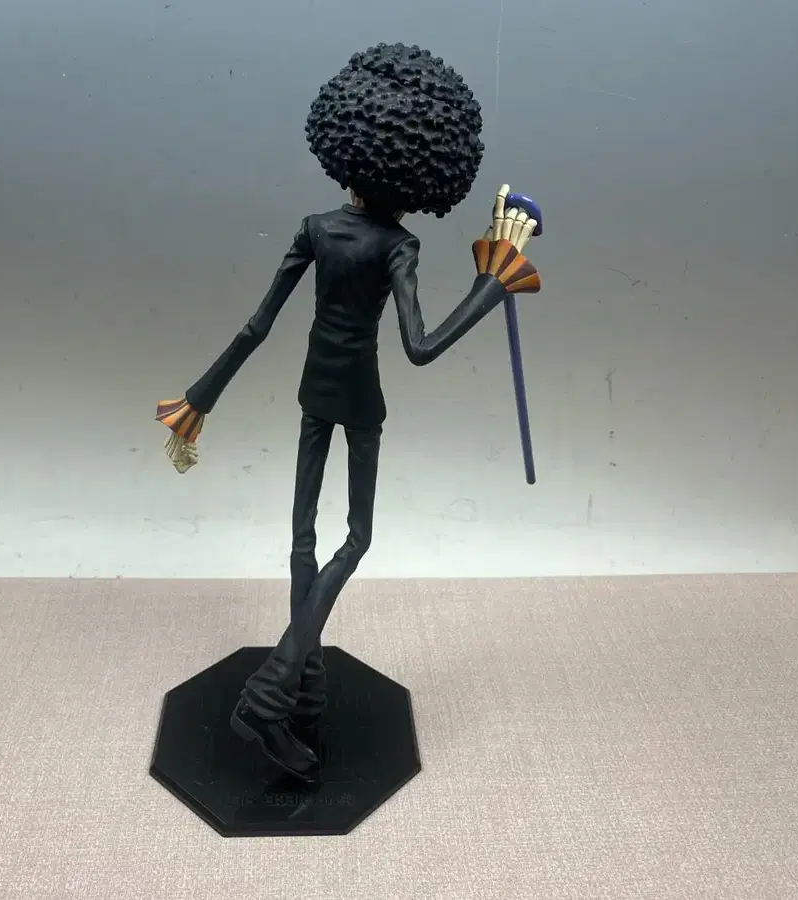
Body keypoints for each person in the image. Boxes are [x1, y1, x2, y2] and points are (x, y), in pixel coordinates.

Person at [156, 42, 541, 781]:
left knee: (302, 538)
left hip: (313, 392)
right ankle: (271, 691)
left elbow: (257, 326)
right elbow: (420, 347)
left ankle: (305, 686)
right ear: (423, 174)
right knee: (356, 537)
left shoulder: (315, 227)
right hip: (361, 400)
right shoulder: (399, 246)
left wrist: (200, 399)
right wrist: (492, 287)